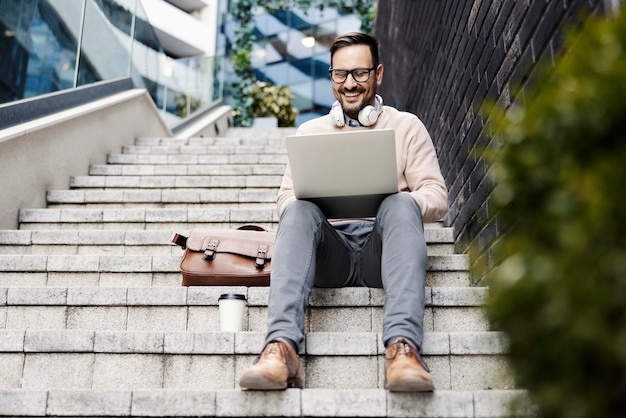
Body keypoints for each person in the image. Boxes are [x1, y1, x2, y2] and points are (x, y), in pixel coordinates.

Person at [239, 32, 448, 392]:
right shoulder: (310, 131)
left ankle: (403, 350)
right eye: (340, 75)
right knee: (299, 209)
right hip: (327, 255)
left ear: (378, 74)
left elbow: (436, 195)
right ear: (331, 77)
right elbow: (284, 201)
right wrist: (315, 198)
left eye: (360, 73)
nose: (350, 84)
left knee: (401, 202)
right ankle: (280, 348)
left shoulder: (406, 126)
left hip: (383, 254)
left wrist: (403, 200)